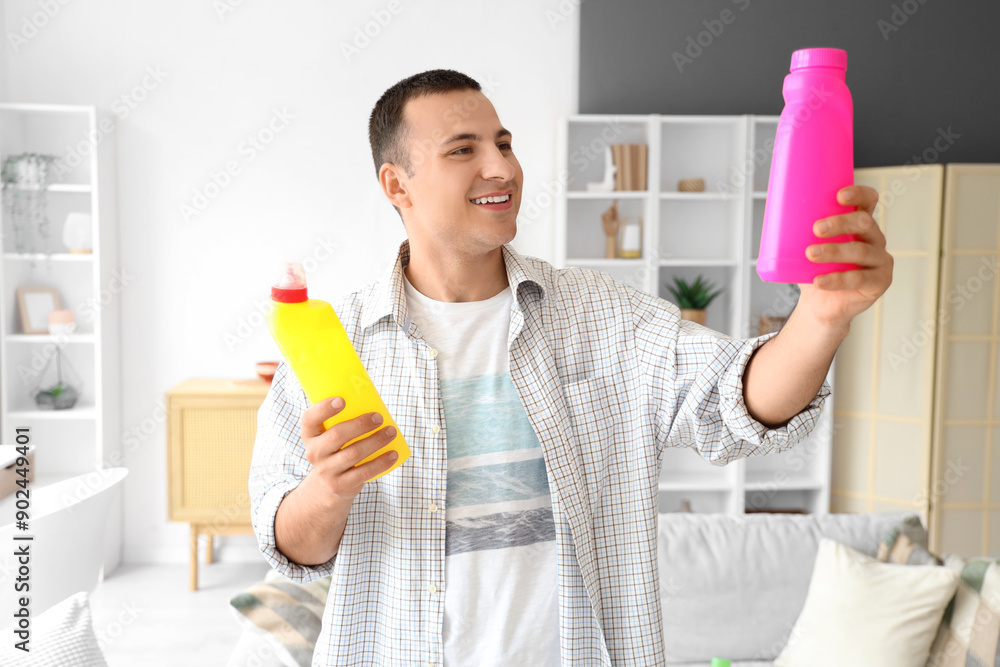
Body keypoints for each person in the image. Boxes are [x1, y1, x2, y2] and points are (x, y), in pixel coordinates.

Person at [249, 69, 893, 666]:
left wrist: (822, 316)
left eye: (504, 143)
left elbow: (738, 402)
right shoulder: (338, 347)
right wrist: (330, 488)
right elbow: (290, 546)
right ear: (397, 184)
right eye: (463, 149)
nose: (501, 166)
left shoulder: (604, 316)